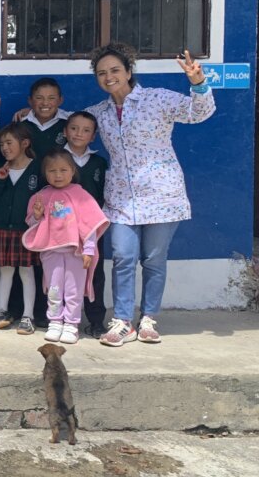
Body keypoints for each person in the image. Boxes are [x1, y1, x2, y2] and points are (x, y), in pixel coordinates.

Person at [86, 43, 216, 347]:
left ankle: (148, 318)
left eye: (115, 70)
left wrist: (198, 82)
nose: (109, 77)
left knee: (154, 259)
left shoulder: (157, 99)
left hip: (162, 195)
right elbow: (72, 124)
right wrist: (34, 115)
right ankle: (122, 321)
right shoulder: (100, 112)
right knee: (123, 256)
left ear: (129, 71)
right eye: (102, 73)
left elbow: (200, 112)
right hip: (121, 197)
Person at [22, 148, 109, 345]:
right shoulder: (41, 196)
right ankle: (55, 321)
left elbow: (90, 225)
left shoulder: (80, 195)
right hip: (51, 252)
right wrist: (37, 215)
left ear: (72, 171)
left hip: (76, 253)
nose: (58, 175)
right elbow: (33, 225)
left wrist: (88, 250)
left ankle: (71, 324)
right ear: (45, 173)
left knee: (73, 290)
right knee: (54, 289)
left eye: (63, 170)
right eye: (52, 171)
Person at [0, 123, 41, 335]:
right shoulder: (1, 169)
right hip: (2, 228)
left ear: (24, 143)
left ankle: (28, 316)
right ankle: (2, 311)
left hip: (26, 230)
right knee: (6, 271)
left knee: (27, 271)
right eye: (2, 144)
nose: (5, 148)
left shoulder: (37, 169)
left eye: (9, 143)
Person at [63, 111, 109, 338]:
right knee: (60, 273)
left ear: (93, 136)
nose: (78, 133)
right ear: (65, 131)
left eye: (86, 130)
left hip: (92, 229)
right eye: (74, 128)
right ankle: (60, 318)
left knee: (94, 272)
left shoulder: (99, 163)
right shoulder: (56, 159)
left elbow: (103, 195)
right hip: (63, 228)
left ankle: (96, 320)